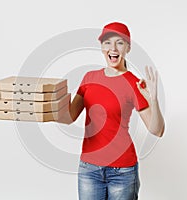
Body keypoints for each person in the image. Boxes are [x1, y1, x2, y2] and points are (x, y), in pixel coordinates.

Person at [58, 22, 165, 200]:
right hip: (89, 170)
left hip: (122, 172)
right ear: (101, 47)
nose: (113, 48)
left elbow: (157, 130)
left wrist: (154, 100)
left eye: (120, 42)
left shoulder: (133, 82)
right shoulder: (89, 77)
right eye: (107, 42)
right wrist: (48, 104)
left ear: (128, 48)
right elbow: (68, 117)